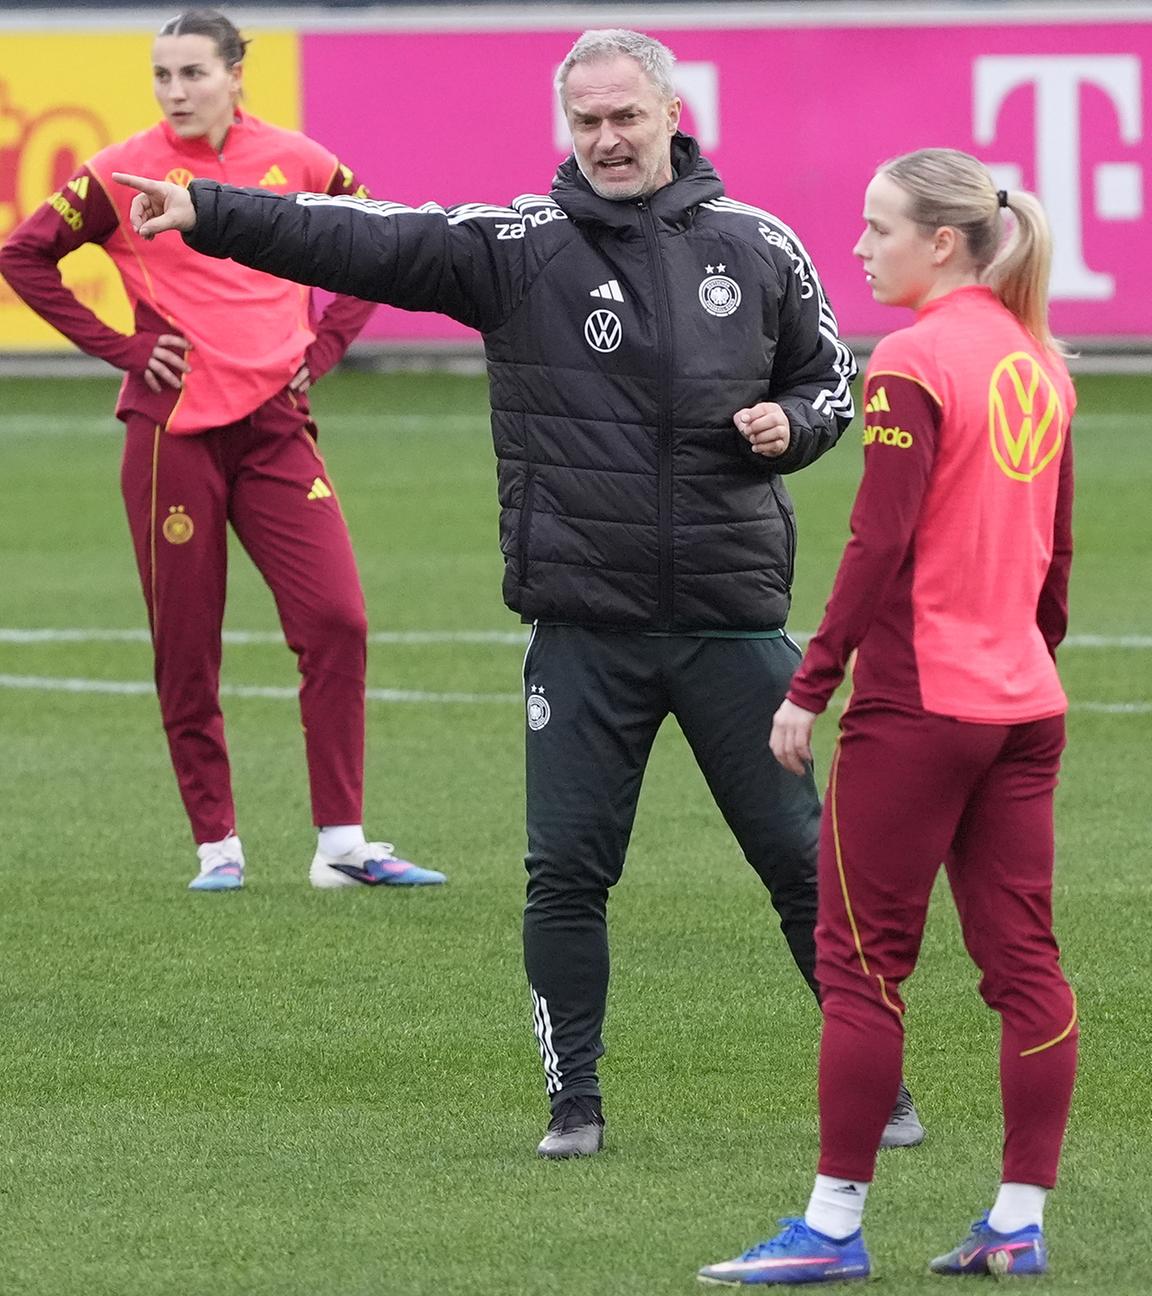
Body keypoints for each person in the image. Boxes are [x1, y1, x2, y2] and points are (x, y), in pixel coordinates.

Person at [112, 28, 921, 1156]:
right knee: (566, 878)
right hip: (581, 629)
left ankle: (879, 1093)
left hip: (734, 622)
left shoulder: (760, 245)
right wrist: (212, 211)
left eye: (625, 116)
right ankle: (574, 1106)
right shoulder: (516, 249)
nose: (606, 138)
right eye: (585, 120)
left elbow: (829, 373)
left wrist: (799, 428)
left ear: (671, 114)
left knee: (803, 865)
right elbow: (364, 235)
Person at [698, 148, 1078, 1286]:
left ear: (945, 244)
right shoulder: (1043, 363)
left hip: (922, 706)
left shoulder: (913, 360)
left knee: (860, 968)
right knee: (1026, 967)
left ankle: (829, 1228)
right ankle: (1017, 1218)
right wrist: (1022, 662)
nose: (860, 249)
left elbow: (880, 540)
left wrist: (809, 686)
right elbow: (1056, 567)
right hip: (1024, 705)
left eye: (878, 229)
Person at [0, 9, 445, 893]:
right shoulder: (120, 170)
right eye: (163, 75)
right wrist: (123, 349)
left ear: (237, 74)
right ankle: (218, 847)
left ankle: (343, 846)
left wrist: (322, 349)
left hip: (279, 429)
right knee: (187, 644)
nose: (176, 92)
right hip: (173, 436)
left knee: (338, 619)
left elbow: (379, 244)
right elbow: (25, 253)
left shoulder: (302, 161)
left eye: (193, 73)